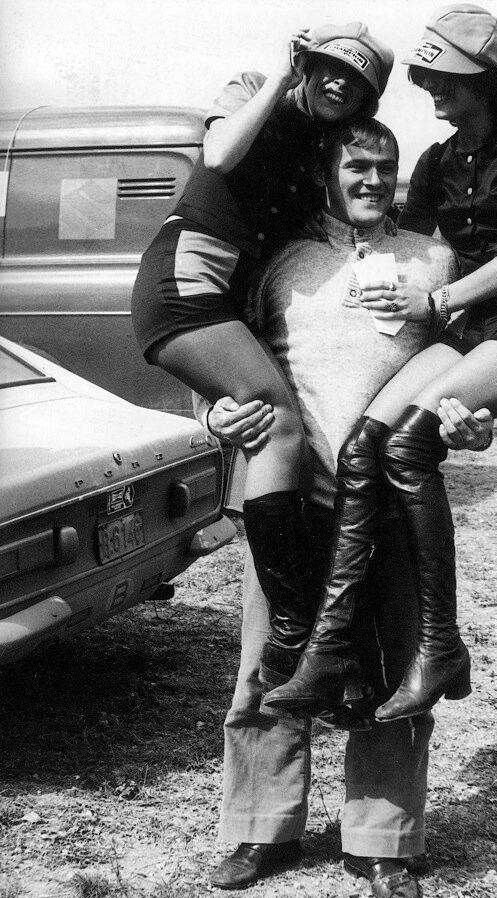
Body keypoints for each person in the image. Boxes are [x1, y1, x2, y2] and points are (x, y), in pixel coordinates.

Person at [195, 119, 493, 898]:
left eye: (385, 166)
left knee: (396, 670)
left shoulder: (434, 260)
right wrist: (216, 414)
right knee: (270, 664)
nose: (372, 178)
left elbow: (465, 373)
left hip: (390, 505)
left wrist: (477, 422)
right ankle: (260, 829)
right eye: (356, 163)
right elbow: (224, 360)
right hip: (289, 500)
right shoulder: (279, 259)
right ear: (328, 169)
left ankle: (382, 841)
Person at [265, 2, 497, 725]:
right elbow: (389, 236)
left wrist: (437, 302)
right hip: (473, 327)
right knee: (361, 450)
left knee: (408, 442)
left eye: (442, 76)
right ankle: (330, 648)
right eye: (426, 75)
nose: (430, 89)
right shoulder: (440, 159)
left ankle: (440, 644)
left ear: (482, 79)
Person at [131, 23, 394, 701]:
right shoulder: (253, 90)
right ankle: (295, 628)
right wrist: (280, 77)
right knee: (276, 421)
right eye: (328, 65)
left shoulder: (325, 152)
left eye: (357, 80)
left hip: (232, 301)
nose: (339, 82)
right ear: (305, 60)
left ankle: (300, 638)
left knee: (269, 419)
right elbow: (218, 156)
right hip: (187, 281)